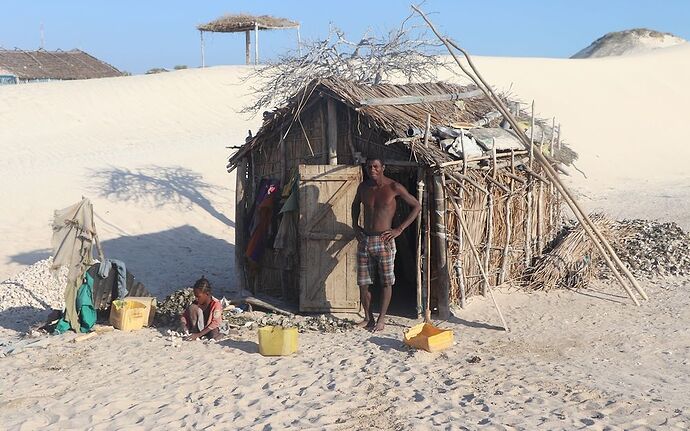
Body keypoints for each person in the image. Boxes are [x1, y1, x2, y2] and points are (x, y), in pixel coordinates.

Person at [351, 158, 421, 332]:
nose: (372, 170)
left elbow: (417, 206)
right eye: (369, 167)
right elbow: (355, 205)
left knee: (386, 282)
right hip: (365, 239)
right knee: (363, 282)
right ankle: (368, 318)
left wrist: (399, 229)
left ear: (383, 168)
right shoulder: (364, 187)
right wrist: (355, 225)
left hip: (385, 240)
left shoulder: (394, 187)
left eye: (375, 166)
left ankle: (381, 319)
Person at [180, 276, 223, 341]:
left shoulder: (216, 304)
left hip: (210, 328)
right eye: (195, 296)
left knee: (214, 335)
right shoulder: (196, 303)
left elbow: (215, 323)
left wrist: (198, 335)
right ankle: (195, 331)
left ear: (207, 294)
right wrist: (183, 325)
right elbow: (185, 316)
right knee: (192, 307)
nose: (196, 298)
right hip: (198, 328)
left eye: (198, 296)